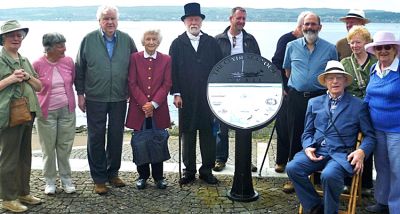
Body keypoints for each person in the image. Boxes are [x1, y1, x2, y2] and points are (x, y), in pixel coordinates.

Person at [286, 60, 376, 214]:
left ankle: (330, 211)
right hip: (317, 152)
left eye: (339, 77)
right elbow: (307, 132)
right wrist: (307, 147)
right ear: (325, 82)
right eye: (330, 78)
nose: (335, 81)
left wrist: (362, 152)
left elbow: (370, 136)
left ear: (345, 81)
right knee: (292, 167)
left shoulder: (358, 105)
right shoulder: (314, 103)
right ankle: (315, 207)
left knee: (328, 176)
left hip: (341, 155)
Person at [74, 5, 138, 195]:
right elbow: (80, 68)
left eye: (112, 18)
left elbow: (135, 66)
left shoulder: (127, 40)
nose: (109, 22)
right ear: (99, 21)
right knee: (96, 137)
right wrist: (80, 94)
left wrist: (132, 92)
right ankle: (99, 178)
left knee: (116, 136)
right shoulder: (88, 40)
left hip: (119, 96)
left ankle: (113, 173)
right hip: (95, 97)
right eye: (105, 19)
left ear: (117, 20)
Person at [282, 12, 338, 193]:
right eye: (306, 24)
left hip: (320, 98)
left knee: (319, 137)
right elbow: (287, 72)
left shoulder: (330, 49)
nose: (310, 27)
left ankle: (318, 175)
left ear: (320, 27)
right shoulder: (291, 46)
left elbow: (333, 76)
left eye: (313, 24)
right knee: (294, 136)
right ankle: (294, 177)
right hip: (296, 98)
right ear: (301, 26)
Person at [169, 2, 223, 185]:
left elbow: (219, 68)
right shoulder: (177, 44)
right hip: (186, 97)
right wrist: (176, 93)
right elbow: (173, 71)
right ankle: (189, 170)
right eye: (190, 19)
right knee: (188, 134)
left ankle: (206, 170)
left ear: (201, 21)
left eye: (196, 19)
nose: (194, 22)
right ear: (185, 22)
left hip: (207, 97)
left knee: (208, 135)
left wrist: (217, 94)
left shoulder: (212, 42)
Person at [0, 20, 43, 213]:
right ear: (3, 39)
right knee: (9, 158)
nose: (16, 38)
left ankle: (23, 192)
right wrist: (10, 79)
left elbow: (39, 86)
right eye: (11, 35)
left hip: (28, 113)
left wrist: (27, 77)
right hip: (9, 115)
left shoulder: (24, 59)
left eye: (19, 35)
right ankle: (8, 198)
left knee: (25, 157)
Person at [213, 6, 260, 172]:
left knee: (245, 125)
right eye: (238, 18)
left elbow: (258, 63)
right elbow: (212, 65)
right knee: (221, 127)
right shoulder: (218, 39)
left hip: (245, 89)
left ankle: (246, 160)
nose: (241, 22)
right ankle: (220, 159)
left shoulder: (250, 40)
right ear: (230, 19)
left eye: (244, 19)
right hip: (224, 88)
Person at [125, 29, 172, 190]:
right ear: (143, 41)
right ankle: (142, 176)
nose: (151, 42)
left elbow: (167, 84)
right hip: (138, 109)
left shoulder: (166, 59)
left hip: (158, 109)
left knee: (158, 141)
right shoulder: (135, 58)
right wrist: (145, 103)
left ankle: (159, 177)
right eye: (148, 39)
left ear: (158, 42)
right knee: (140, 143)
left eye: (154, 39)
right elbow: (132, 82)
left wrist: (154, 104)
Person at [33, 32, 76, 195]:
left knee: (64, 147)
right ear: (48, 48)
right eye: (59, 46)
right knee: (48, 148)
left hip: (67, 110)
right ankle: (50, 180)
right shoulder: (37, 64)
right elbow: (32, 87)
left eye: (64, 44)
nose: (64, 48)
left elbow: (73, 82)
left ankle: (66, 179)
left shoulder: (69, 61)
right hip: (46, 112)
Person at [364, 31, 400, 213]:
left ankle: (396, 207)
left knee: (398, 170)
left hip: (397, 130)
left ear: (395, 50)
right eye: (379, 47)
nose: (383, 50)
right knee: (382, 167)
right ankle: (382, 202)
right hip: (376, 129)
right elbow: (368, 96)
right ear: (375, 50)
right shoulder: (374, 69)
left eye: (388, 47)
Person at [271, 11, 310, 173]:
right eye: (305, 27)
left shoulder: (308, 42)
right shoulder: (287, 40)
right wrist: (282, 87)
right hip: (287, 91)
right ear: (300, 26)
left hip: (301, 92)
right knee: (283, 126)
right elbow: (276, 63)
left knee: (300, 127)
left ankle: (297, 161)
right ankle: (281, 161)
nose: (307, 30)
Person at [340, 26, 376, 196]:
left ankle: (366, 184)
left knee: (367, 145)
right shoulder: (345, 63)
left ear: (367, 43)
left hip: (372, 109)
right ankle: (348, 181)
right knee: (349, 144)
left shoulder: (376, 62)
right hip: (351, 110)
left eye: (358, 42)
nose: (355, 45)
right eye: (352, 42)